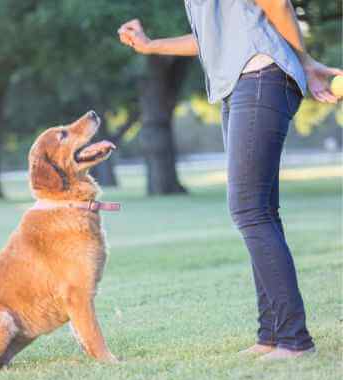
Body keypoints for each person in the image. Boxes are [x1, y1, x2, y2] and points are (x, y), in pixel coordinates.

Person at [118, 0, 342, 360]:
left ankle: (294, 340)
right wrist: (152, 45)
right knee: (260, 211)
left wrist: (305, 59)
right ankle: (271, 334)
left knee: (249, 209)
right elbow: (211, 37)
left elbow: (276, 3)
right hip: (239, 84)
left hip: (261, 74)